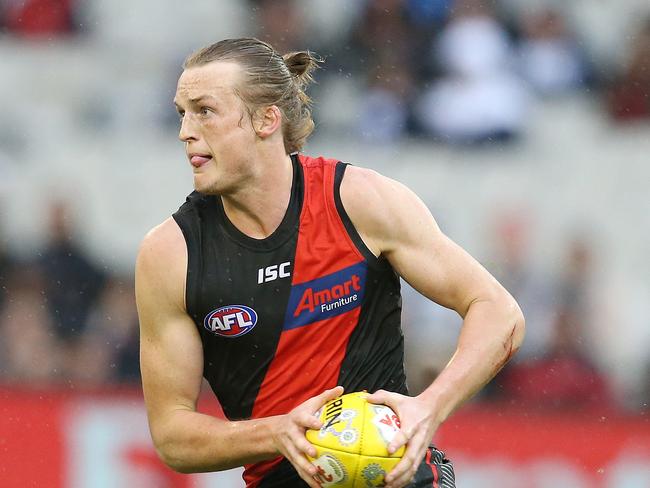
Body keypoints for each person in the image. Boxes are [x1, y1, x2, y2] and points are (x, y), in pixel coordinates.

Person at [135, 38, 525, 488]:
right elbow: (172, 437)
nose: (185, 130)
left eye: (204, 110)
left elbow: (500, 312)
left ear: (266, 119)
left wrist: (428, 408)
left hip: (398, 478)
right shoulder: (170, 254)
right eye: (182, 112)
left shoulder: (358, 200)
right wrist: (277, 432)